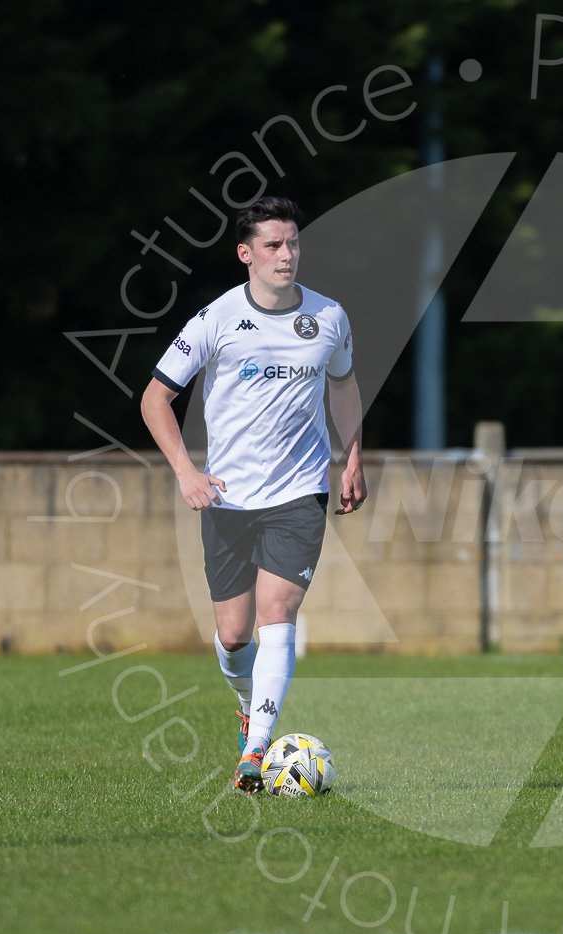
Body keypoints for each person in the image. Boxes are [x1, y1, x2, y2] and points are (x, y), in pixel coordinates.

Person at [141, 195, 366, 795]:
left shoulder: (329, 318)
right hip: (228, 498)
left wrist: (352, 457)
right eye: (272, 245)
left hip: (300, 493)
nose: (286, 254)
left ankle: (256, 751)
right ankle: (247, 702)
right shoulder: (215, 321)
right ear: (246, 254)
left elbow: (343, 385)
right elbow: (154, 398)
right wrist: (187, 473)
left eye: (292, 242)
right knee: (235, 634)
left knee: (277, 615)